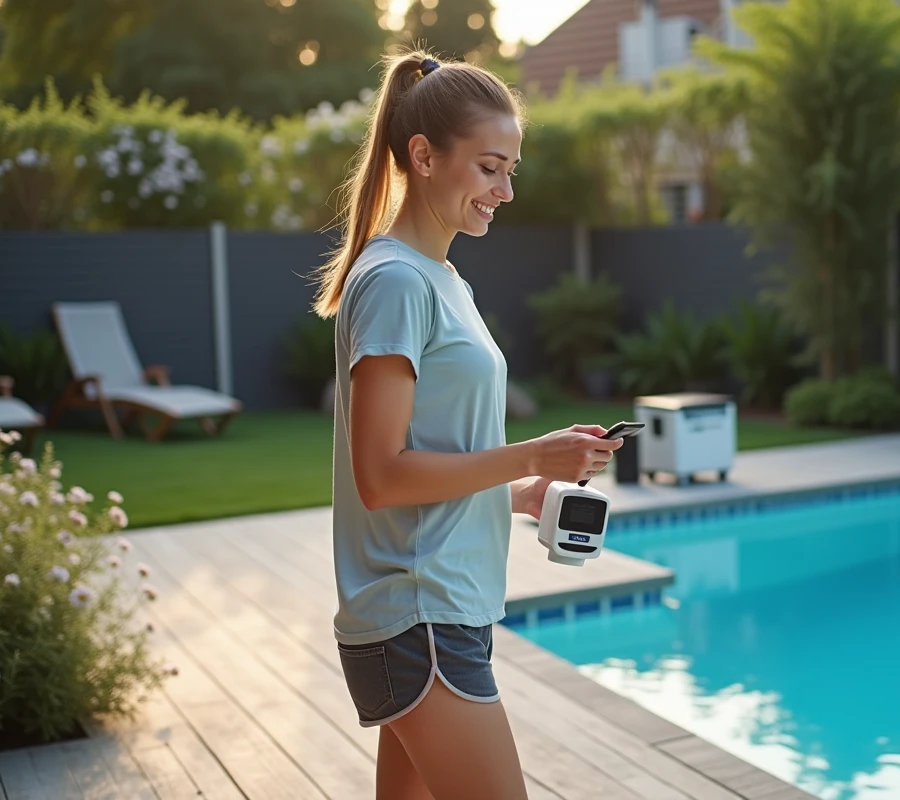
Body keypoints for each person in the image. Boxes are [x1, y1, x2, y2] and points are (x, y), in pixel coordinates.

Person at [310, 50, 624, 800]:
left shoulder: (443, 280)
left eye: (510, 169)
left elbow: (434, 463)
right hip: (420, 619)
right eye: (489, 168)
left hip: (439, 612)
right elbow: (381, 477)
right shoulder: (394, 282)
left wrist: (525, 491)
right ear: (423, 156)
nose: (505, 190)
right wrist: (529, 454)